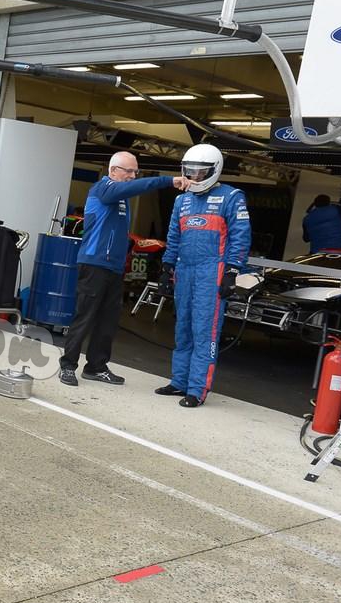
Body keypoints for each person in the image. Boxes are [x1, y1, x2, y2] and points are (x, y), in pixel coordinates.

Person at [59, 151, 192, 387]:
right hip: (95, 263)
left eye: (135, 172)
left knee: (108, 321)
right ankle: (68, 366)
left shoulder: (121, 197)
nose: (132, 176)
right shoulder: (103, 189)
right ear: (113, 171)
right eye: (129, 171)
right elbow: (133, 188)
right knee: (85, 317)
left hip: (113, 266)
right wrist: (168, 181)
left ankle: (96, 367)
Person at [155, 144, 251, 408]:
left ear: (214, 170)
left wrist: (232, 270)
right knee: (182, 328)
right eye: (191, 171)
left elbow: (241, 237)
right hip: (184, 271)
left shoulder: (232, 197)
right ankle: (179, 381)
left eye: (201, 172)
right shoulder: (181, 200)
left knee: (204, 331)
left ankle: (197, 389)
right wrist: (166, 267)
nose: (195, 176)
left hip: (212, 272)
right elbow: (174, 236)